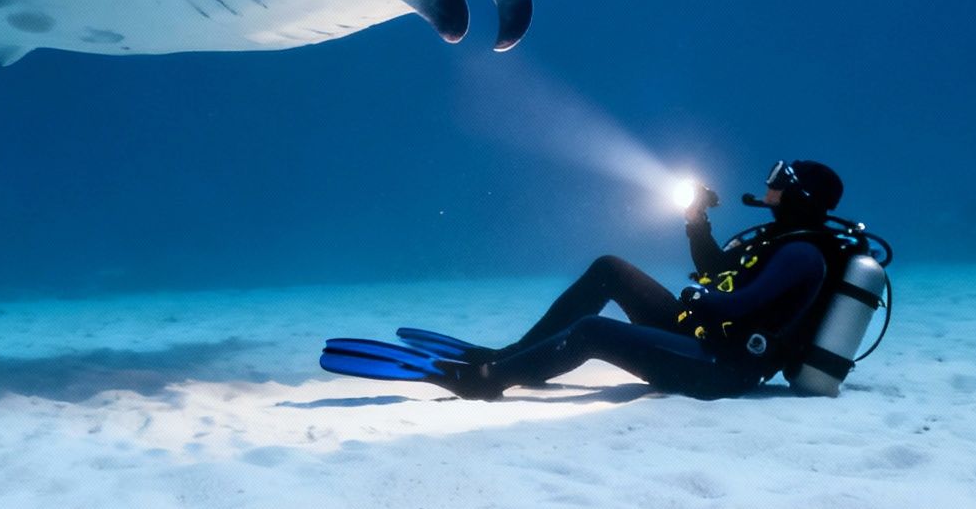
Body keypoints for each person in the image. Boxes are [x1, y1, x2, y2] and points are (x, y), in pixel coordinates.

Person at [321, 160, 853, 400]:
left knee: (595, 334)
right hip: (702, 339)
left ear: (801, 197)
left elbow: (738, 305)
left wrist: (700, 298)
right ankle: (519, 355)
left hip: (721, 368)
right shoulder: (780, 241)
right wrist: (696, 221)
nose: (769, 188)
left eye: (780, 183)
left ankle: (487, 380)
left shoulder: (804, 253)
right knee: (610, 269)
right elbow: (721, 273)